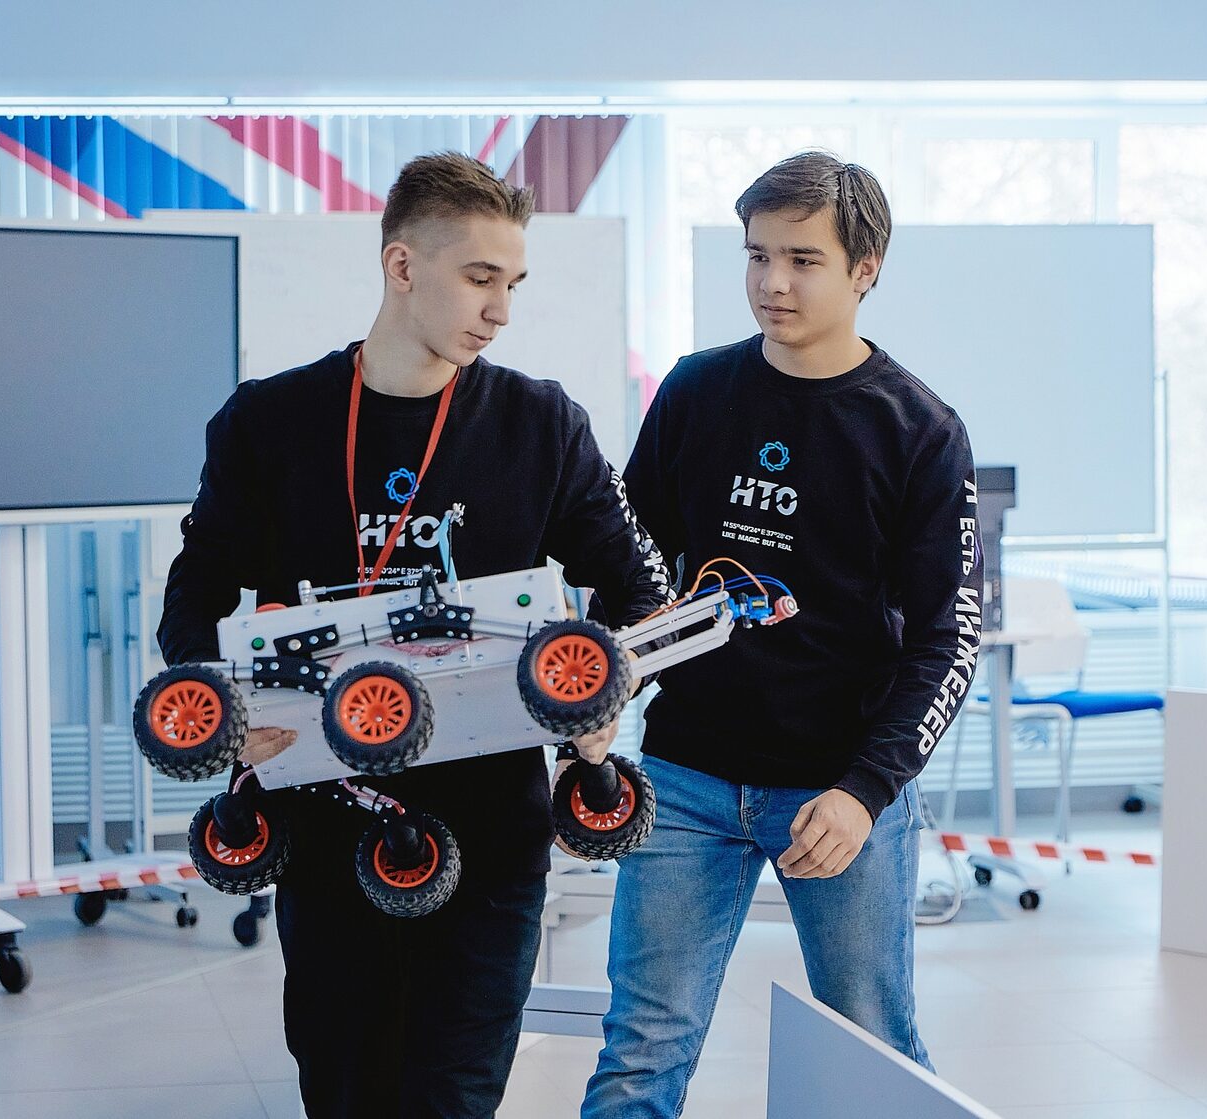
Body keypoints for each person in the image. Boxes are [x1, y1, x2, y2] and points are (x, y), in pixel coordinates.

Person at [156, 151, 670, 1119]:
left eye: (513, 283)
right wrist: (223, 713)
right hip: (324, 822)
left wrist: (604, 696)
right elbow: (196, 589)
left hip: (492, 834)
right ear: (402, 265)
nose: (500, 309)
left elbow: (639, 590)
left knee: (453, 1096)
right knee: (344, 1088)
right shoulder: (271, 423)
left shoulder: (540, 424)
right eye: (480, 278)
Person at [582, 152, 983, 1118]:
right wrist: (599, 687)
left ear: (865, 268)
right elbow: (633, 573)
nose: (773, 282)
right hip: (684, 779)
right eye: (757, 256)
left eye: (803, 259)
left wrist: (865, 790)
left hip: (838, 788)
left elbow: (949, 639)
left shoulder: (920, 429)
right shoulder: (695, 391)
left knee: (871, 1047)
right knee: (641, 1050)